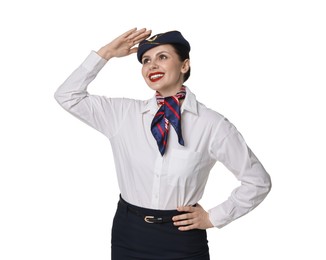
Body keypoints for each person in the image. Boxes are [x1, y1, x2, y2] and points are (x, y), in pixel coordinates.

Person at [54, 28, 271, 260]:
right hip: (129, 234)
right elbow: (68, 96)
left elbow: (257, 181)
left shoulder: (212, 124)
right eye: (146, 60)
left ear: (184, 65)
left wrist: (213, 218)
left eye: (162, 57)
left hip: (182, 237)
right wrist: (105, 53)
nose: (152, 66)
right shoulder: (123, 115)